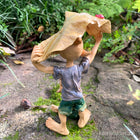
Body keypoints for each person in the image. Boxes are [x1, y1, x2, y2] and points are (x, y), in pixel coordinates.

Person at [31, 32, 103, 135]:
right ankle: (82, 118)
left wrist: (34, 62)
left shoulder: (61, 71)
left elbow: (44, 68)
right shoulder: (79, 68)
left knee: (62, 112)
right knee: (81, 107)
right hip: (79, 97)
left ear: (62, 52)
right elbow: (91, 55)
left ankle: (63, 127)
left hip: (67, 99)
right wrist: (97, 42)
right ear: (80, 52)